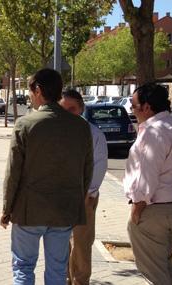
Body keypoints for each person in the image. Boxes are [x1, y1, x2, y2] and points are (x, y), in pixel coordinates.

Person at [1, 68, 94, 285]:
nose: (30, 96)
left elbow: (13, 171)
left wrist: (7, 209)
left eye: (30, 91)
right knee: (57, 269)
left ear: (39, 90)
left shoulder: (26, 124)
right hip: (64, 211)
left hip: (29, 211)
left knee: (23, 266)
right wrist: (77, 202)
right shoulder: (81, 126)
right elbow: (87, 170)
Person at [124, 83, 172, 285]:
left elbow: (147, 173)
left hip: (153, 210)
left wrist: (137, 207)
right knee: (164, 267)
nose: (132, 111)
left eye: (134, 106)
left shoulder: (153, 132)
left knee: (153, 274)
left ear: (147, 107)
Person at [60, 90, 108, 285]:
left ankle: (80, 282)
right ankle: (63, 280)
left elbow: (99, 166)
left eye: (72, 109)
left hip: (84, 199)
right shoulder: (54, 134)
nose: (68, 113)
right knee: (59, 245)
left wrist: (88, 193)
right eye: (63, 109)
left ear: (81, 109)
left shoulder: (94, 134)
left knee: (81, 246)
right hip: (59, 199)